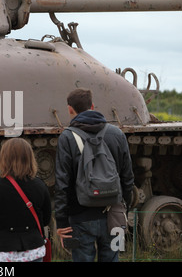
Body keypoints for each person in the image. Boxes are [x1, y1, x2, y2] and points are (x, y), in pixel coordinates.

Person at [54, 88, 134, 262]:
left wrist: (61, 222)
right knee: (113, 258)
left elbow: (62, 184)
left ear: (69, 109)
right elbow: (128, 177)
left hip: (80, 217)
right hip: (114, 214)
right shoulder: (117, 134)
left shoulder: (67, 138)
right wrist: (123, 205)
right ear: (92, 106)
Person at [0, 138, 52, 262]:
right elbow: (45, 220)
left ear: (4, 159)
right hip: (32, 253)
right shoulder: (40, 186)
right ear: (30, 159)